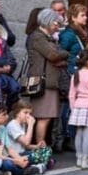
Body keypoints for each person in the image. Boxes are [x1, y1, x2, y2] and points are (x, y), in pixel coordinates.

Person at [26, 8, 69, 146]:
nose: (57, 26)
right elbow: (53, 55)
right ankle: (40, 149)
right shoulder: (38, 37)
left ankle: (41, 147)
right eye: (56, 23)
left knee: (46, 118)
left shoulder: (47, 38)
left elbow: (55, 56)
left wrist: (59, 55)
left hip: (49, 82)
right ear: (48, 21)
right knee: (43, 118)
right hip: (43, 83)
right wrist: (65, 53)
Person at [57, 3, 88, 151]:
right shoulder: (69, 34)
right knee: (68, 107)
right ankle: (66, 137)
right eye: (82, 15)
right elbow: (61, 52)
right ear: (73, 18)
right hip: (70, 72)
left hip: (78, 72)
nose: (86, 18)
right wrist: (72, 61)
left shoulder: (81, 32)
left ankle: (70, 136)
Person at [5, 101, 51, 173]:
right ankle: (37, 166)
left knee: (47, 150)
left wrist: (37, 146)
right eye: (25, 112)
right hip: (15, 155)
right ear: (17, 113)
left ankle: (36, 166)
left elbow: (25, 145)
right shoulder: (13, 125)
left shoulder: (22, 124)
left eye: (30, 113)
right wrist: (30, 125)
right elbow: (26, 142)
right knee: (42, 156)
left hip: (23, 152)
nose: (28, 116)